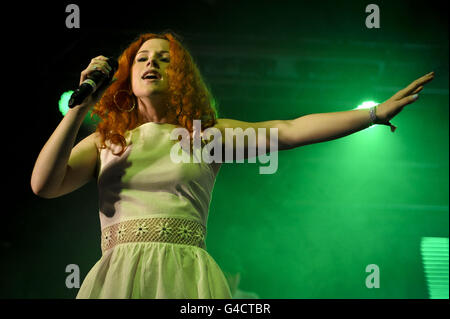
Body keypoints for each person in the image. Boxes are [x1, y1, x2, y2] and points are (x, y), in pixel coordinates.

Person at [30, 32, 435, 299]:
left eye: (165, 59)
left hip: (186, 275)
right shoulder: (107, 140)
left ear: (181, 76)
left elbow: (288, 131)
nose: (152, 63)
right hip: (118, 277)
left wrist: (372, 113)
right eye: (142, 59)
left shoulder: (205, 136)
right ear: (127, 75)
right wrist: (78, 109)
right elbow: (43, 185)